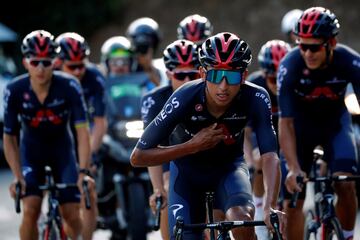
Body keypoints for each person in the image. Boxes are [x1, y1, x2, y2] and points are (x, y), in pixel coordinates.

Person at [131, 32, 285, 240]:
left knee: (242, 220)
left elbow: (269, 155)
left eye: (231, 76)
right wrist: (192, 145)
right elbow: (138, 156)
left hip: (229, 170)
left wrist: (269, 207)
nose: (223, 86)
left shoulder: (256, 96)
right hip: (186, 174)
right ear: (203, 74)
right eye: (215, 75)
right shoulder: (184, 97)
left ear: (244, 75)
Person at [278, 7, 360, 240]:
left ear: (331, 42)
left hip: (336, 127)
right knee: (293, 200)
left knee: (345, 184)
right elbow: (285, 123)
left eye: (314, 47)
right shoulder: (289, 65)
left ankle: (347, 236)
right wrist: (293, 168)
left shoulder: (350, 61)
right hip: (300, 132)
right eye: (302, 46)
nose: (307, 53)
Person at [3, 29, 91, 239]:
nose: (41, 68)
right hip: (31, 152)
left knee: (71, 212)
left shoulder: (70, 86)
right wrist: (17, 176)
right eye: (35, 62)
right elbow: (10, 137)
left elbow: (82, 132)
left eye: (47, 61)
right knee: (31, 209)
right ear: (25, 63)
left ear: (56, 62)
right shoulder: (14, 90)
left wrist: (83, 171)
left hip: (63, 151)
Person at [141, 39, 200, 240]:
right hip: (170, 156)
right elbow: (149, 148)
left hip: (205, 156)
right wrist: (157, 189)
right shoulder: (154, 100)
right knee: (166, 190)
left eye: (191, 74)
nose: (186, 81)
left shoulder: (211, 93)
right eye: (180, 75)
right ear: (168, 74)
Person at [56, 32, 107, 240]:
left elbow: (100, 122)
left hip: (85, 135)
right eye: (72, 66)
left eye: (81, 65)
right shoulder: (50, 76)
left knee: (88, 192)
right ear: (59, 63)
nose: (78, 71)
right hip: (58, 137)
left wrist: (91, 155)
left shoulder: (94, 76)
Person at [244, 39, 291, 240]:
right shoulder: (255, 86)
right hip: (259, 133)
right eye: (273, 79)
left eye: (281, 79)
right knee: (258, 159)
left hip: (287, 133)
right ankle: (259, 202)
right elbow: (244, 133)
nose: (277, 85)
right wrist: (249, 161)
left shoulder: (294, 83)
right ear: (264, 74)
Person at [126, 17, 165, 87]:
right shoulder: (125, 69)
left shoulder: (164, 68)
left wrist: (147, 68)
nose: (141, 51)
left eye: (145, 47)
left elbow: (163, 91)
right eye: (138, 47)